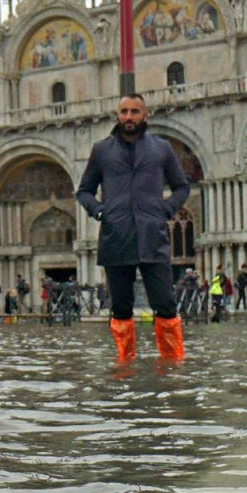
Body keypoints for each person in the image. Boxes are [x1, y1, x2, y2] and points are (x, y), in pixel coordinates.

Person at [75, 93, 194, 362]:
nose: (129, 117)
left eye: (134, 112)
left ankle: (172, 363)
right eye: (124, 112)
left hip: (154, 238)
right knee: (120, 308)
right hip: (116, 238)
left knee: (165, 305)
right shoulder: (102, 150)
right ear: (118, 115)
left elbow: (182, 187)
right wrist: (99, 210)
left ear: (145, 115)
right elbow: (84, 191)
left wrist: (164, 210)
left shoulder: (161, 148)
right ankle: (124, 364)